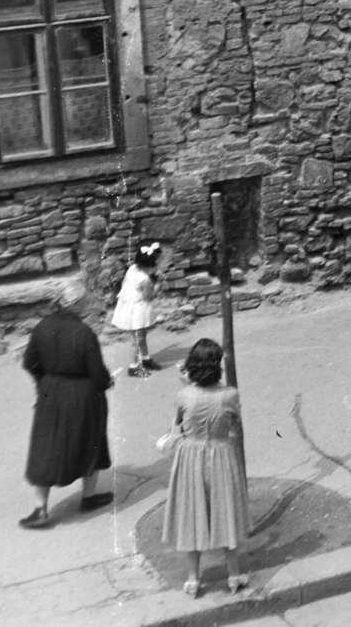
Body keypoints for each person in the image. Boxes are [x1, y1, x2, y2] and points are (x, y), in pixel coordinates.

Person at [19, 278, 114, 528]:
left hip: (50, 392)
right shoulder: (84, 333)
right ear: (77, 303)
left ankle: (41, 509)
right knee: (91, 442)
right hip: (83, 395)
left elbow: (29, 361)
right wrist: (107, 382)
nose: (87, 304)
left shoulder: (42, 327)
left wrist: (44, 382)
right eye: (85, 301)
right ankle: (89, 498)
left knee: (46, 446)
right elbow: (97, 373)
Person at [161, 339, 249, 598]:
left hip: (190, 457)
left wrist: (187, 385)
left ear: (191, 366)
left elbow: (177, 424)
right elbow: (234, 424)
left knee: (192, 514)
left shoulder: (183, 395)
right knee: (226, 512)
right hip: (221, 454)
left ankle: (193, 579)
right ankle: (233, 576)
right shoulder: (230, 394)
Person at [112, 240, 162, 377]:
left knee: (142, 336)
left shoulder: (132, 268)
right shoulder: (145, 280)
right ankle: (133, 367)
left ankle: (146, 359)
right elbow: (149, 297)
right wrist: (158, 284)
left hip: (129, 306)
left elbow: (126, 283)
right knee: (138, 340)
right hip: (138, 310)